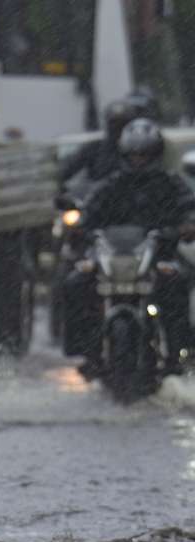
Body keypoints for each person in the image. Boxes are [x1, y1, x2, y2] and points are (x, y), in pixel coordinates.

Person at [63, 118, 195, 377]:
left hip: (158, 253)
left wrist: (186, 225)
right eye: (134, 155)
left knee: (177, 280)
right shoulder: (113, 184)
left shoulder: (169, 183)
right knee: (76, 282)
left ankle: (178, 352)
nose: (139, 161)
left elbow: (188, 205)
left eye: (144, 155)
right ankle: (86, 350)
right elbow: (90, 208)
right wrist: (79, 224)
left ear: (156, 155)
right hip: (114, 256)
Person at [59, 99, 138, 185]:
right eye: (114, 123)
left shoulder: (139, 147)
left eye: (123, 123)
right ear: (108, 124)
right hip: (100, 196)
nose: (118, 128)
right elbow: (69, 168)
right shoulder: (95, 148)